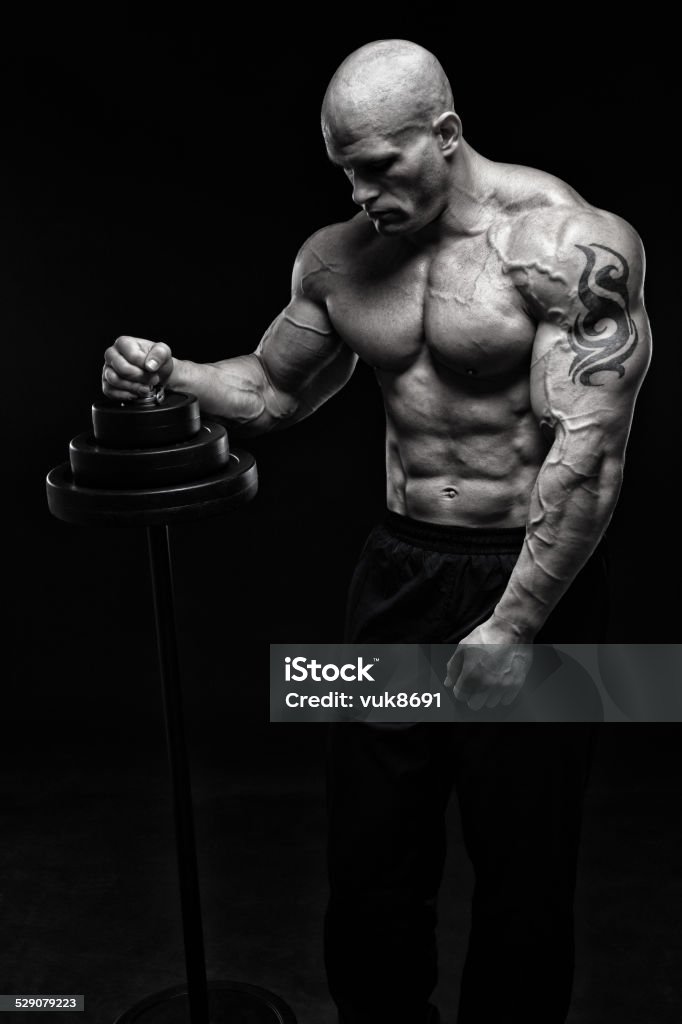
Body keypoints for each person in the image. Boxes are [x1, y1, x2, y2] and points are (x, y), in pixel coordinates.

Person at [101, 39, 651, 1024]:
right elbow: (269, 391)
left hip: (528, 579)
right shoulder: (337, 260)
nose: (358, 192)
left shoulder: (567, 246)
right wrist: (167, 373)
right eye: (342, 169)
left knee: (524, 868)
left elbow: (590, 455)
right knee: (370, 856)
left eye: (377, 166)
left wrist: (512, 628)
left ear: (444, 136)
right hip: (397, 575)